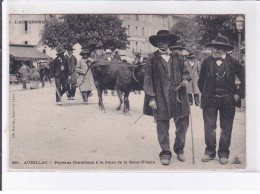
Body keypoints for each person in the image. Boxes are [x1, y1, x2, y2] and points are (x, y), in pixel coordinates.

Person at [143, 30, 191, 165]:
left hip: (178, 95)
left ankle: (179, 149)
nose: (161, 43)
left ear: (169, 42)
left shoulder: (178, 57)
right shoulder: (152, 58)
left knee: (183, 123)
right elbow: (147, 79)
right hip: (160, 96)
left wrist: (186, 80)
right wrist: (151, 98)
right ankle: (165, 153)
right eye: (159, 41)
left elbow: (186, 73)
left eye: (164, 41)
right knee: (162, 125)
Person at [198, 36, 245, 165]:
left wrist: (238, 94)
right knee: (209, 127)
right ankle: (210, 152)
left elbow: (245, 78)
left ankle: (224, 153)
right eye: (215, 47)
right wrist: (206, 93)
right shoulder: (206, 62)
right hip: (210, 100)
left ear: (225, 49)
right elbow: (200, 81)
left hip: (228, 100)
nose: (216, 50)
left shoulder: (233, 62)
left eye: (219, 47)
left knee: (226, 127)